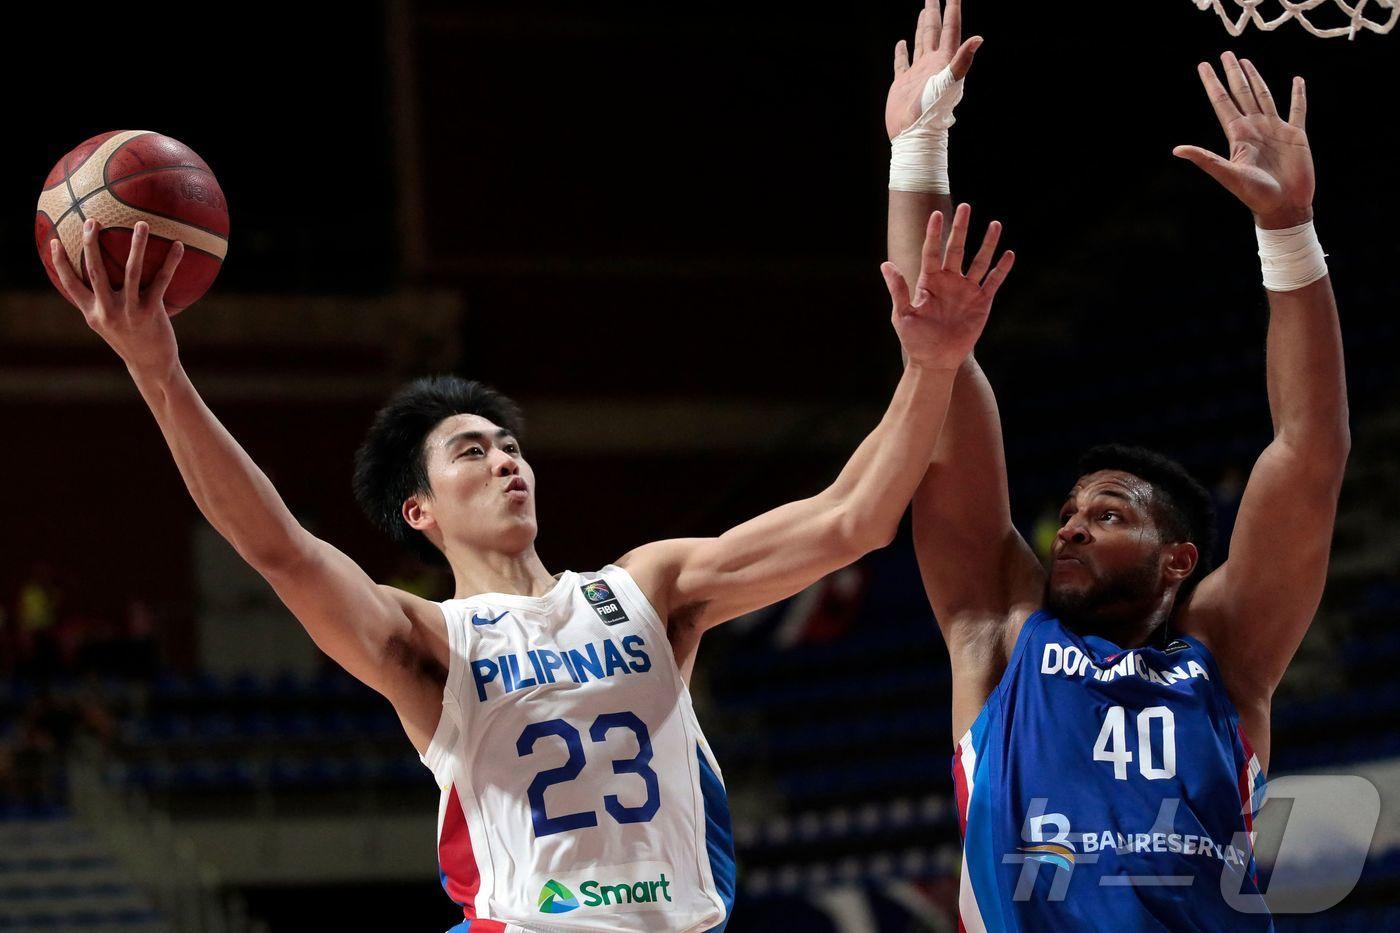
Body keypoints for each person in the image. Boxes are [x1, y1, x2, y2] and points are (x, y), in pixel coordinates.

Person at [47, 193, 1012, 929]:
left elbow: (851, 520)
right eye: (472, 449)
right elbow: (279, 549)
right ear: (417, 510)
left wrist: (930, 365)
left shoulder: (649, 589)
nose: (506, 457)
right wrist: (158, 370)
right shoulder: (429, 640)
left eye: (510, 443)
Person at [884, 3, 1348, 928]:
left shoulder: (1226, 655)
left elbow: (1308, 451)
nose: (1076, 525)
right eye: (1074, 510)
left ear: (1179, 559)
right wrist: (918, 151)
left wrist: (1290, 233)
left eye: (1112, 513)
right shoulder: (1000, 632)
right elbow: (938, 363)